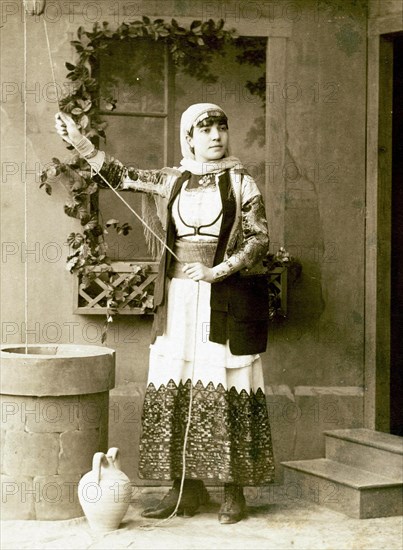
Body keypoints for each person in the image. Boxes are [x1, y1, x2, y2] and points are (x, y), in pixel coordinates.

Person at [55, 103, 275, 524]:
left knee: (225, 381)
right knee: (179, 384)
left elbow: (259, 239)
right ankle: (185, 489)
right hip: (177, 298)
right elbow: (119, 175)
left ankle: (233, 492)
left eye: (221, 128)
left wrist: (217, 270)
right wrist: (77, 139)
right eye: (205, 129)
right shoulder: (172, 180)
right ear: (188, 137)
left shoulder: (240, 182)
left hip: (223, 297)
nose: (215, 136)